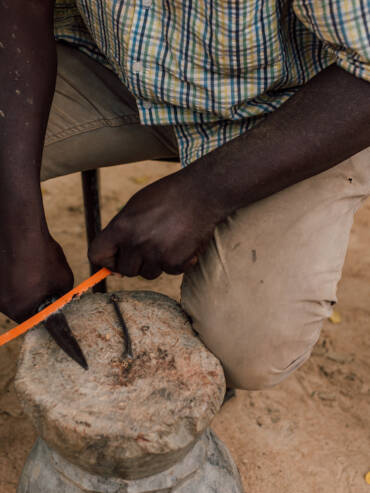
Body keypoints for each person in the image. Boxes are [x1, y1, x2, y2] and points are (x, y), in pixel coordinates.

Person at [0, 0, 369, 389]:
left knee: (245, 347)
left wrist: (202, 193)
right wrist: (18, 226)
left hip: (291, 109)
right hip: (111, 63)